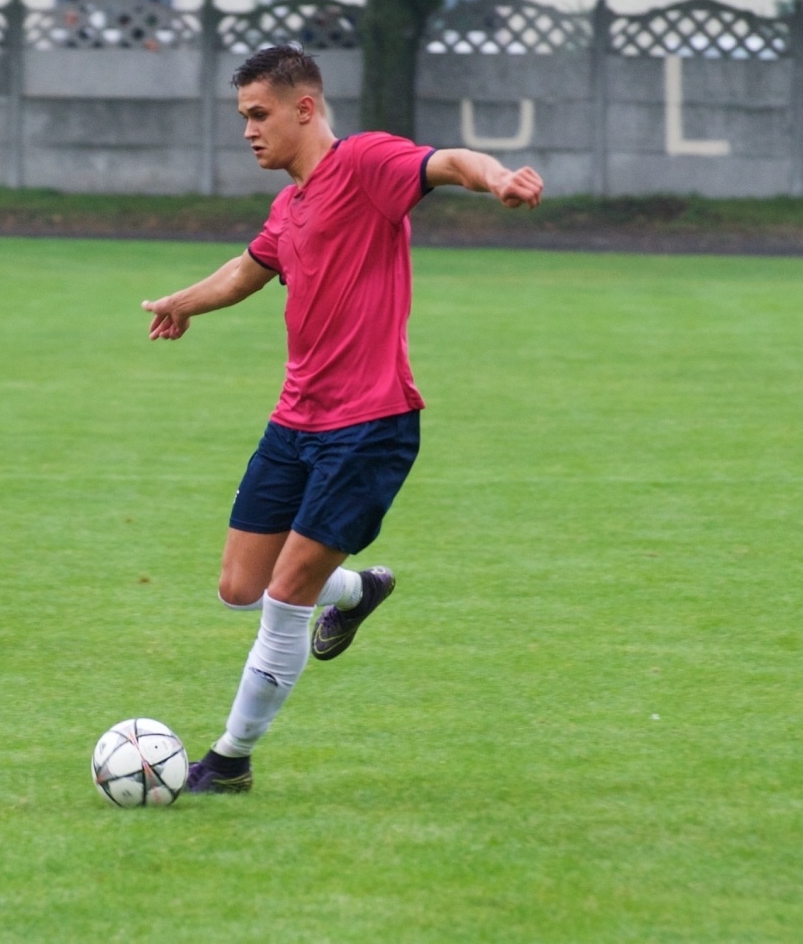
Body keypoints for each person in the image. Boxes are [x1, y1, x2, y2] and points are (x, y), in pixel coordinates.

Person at [141, 46, 543, 793]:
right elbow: (246, 270)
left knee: (286, 596)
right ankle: (357, 591)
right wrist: (180, 303)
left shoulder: (363, 165)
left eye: (259, 115)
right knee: (239, 586)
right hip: (295, 422)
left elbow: (448, 162)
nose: (248, 131)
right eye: (243, 117)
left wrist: (496, 179)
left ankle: (229, 760)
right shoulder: (289, 206)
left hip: (370, 426)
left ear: (305, 108)